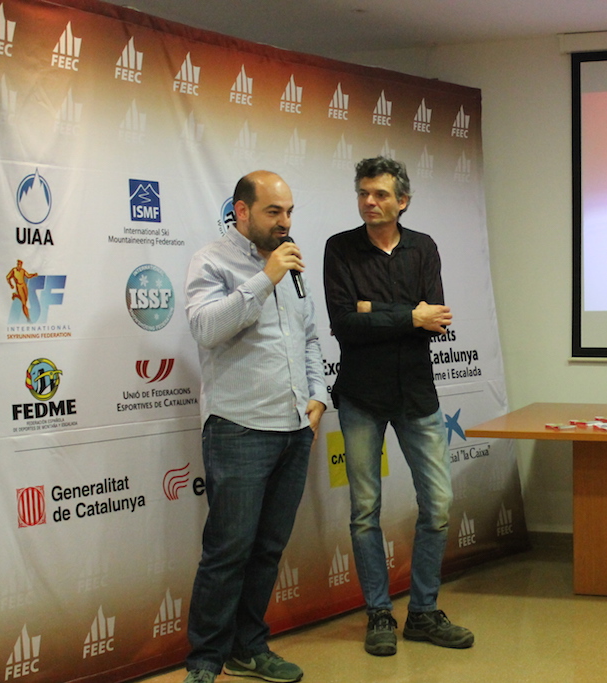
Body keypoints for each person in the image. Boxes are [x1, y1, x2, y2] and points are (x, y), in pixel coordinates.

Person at [323, 157, 474, 657]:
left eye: (381, 194)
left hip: (416, 395)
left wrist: (376, 311)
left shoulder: (423, 247)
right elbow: (345, 324)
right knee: (365, 511)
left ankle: (424, 613)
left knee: (439, 504)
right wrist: (410, 315)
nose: (370, 202)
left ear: (402, 201)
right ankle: (379, 614)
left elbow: (439, 319)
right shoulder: (339, 248)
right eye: (363, 193)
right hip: (361, 398)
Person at [182, 170, 326, 683]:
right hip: (238, 428)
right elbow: (205, 328)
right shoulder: (212, 261)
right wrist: (265, 278)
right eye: (273, 212)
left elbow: (309, 338)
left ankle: (248, 648)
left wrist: (318, 394)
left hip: (293, 427)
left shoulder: (292, 263)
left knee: (267, 550)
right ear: (241, 211)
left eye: (289, 212)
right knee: (228, 552)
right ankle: (205, 661)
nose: (285, 222)